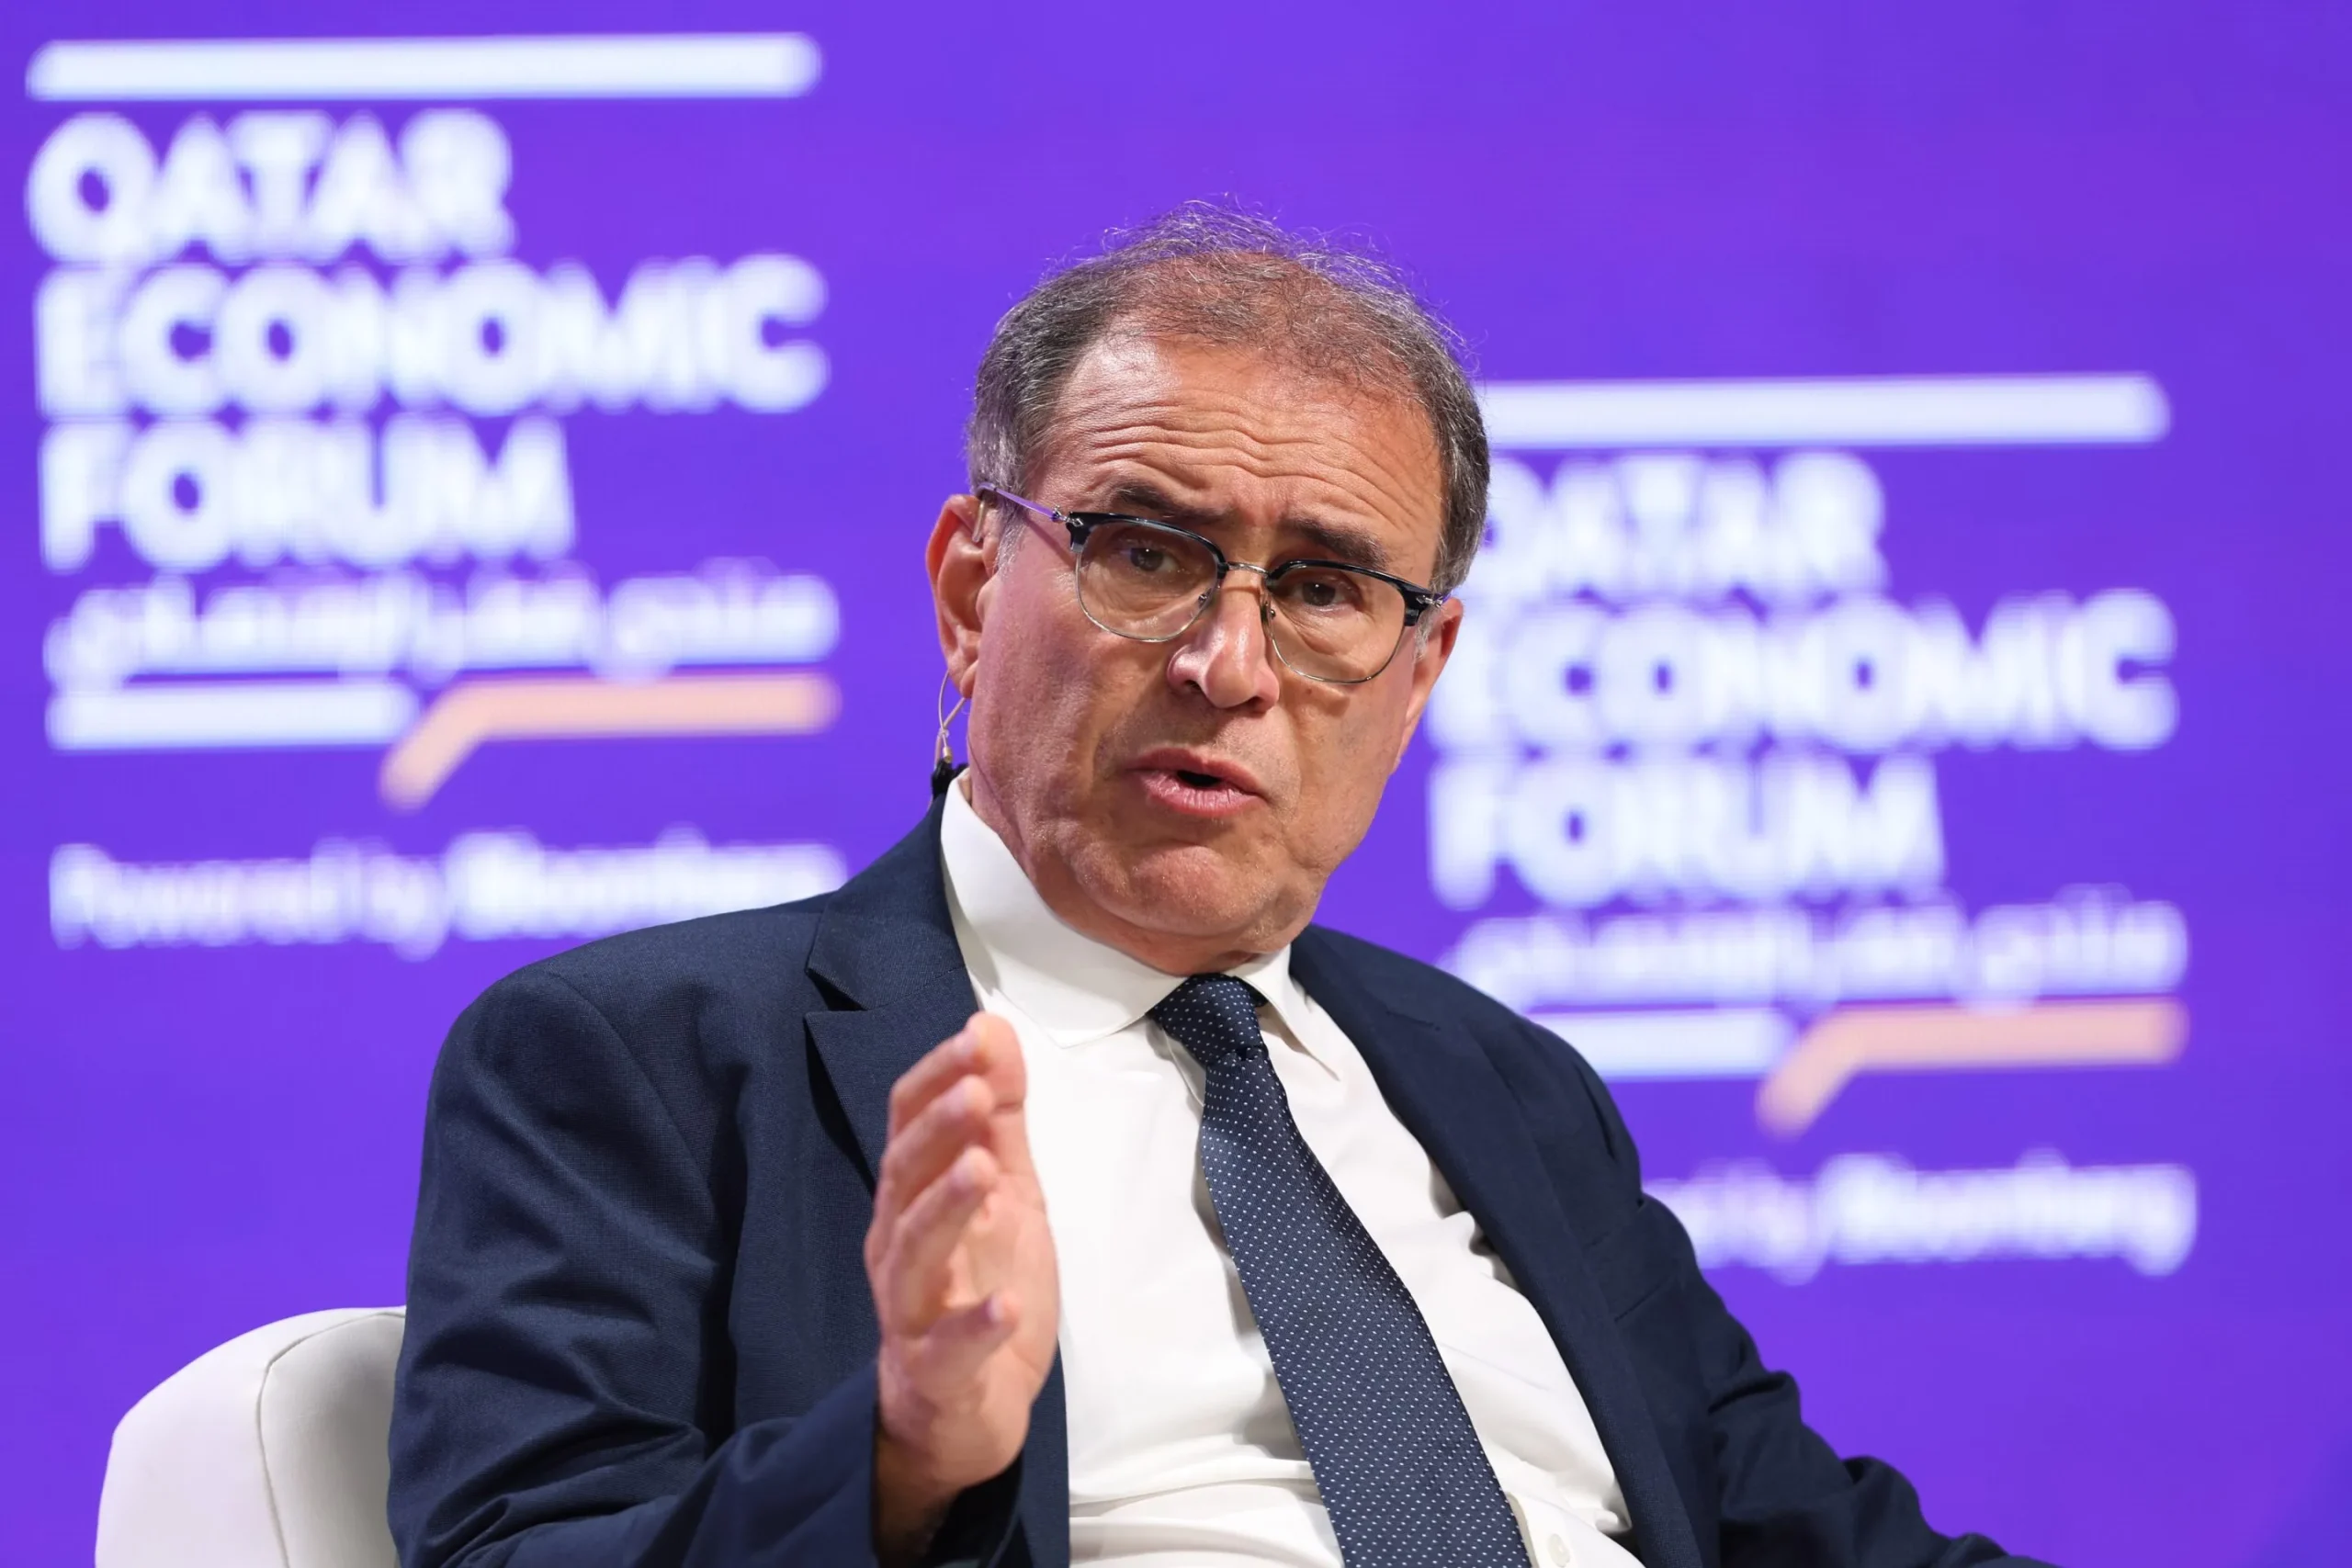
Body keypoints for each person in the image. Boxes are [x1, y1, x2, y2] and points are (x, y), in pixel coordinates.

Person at [390, 204, 2046, 1568]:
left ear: (1420, 671)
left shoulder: (1508, 1085)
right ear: (970, 592)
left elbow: (1803, 1527)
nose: (1228, 663)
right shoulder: (647, 1054)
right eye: (1145, 550)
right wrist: (899, 1456)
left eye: (1324, 589)